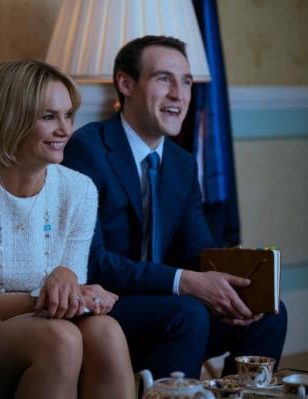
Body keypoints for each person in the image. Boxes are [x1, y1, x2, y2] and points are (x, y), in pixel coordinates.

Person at [62, 35, 287, 379]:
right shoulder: (87, 149)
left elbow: (199, 253)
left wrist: (241, 282)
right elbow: (92, 262)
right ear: (126, 83)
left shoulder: (182, 163)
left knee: (268, 310)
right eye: (163, 78)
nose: (179, 95)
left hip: (168, 305)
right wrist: (185, 282)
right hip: (104, 305)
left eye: (186, 82)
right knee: (188, 313)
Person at [0, 59, 135, 399]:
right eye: (49, 116)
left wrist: (69, 281)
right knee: (60, 338)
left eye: (68, 115)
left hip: (51, 323)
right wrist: (41, 297)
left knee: (106, 331)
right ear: (10, 120)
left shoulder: (79, 189)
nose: (65, 129)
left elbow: (69, 294)